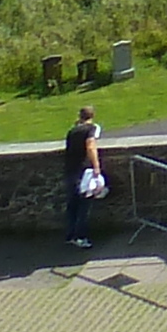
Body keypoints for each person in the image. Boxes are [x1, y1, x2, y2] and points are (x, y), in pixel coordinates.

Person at [62, 106, 105, 248]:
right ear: (92, 116)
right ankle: (80, 237)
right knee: (83, 206)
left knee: (72, 205)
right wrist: (96, 166)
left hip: (70, 170)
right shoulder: (90, 129)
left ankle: (70, 235)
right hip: (83, 171)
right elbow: (90, 146)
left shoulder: (72, 131)